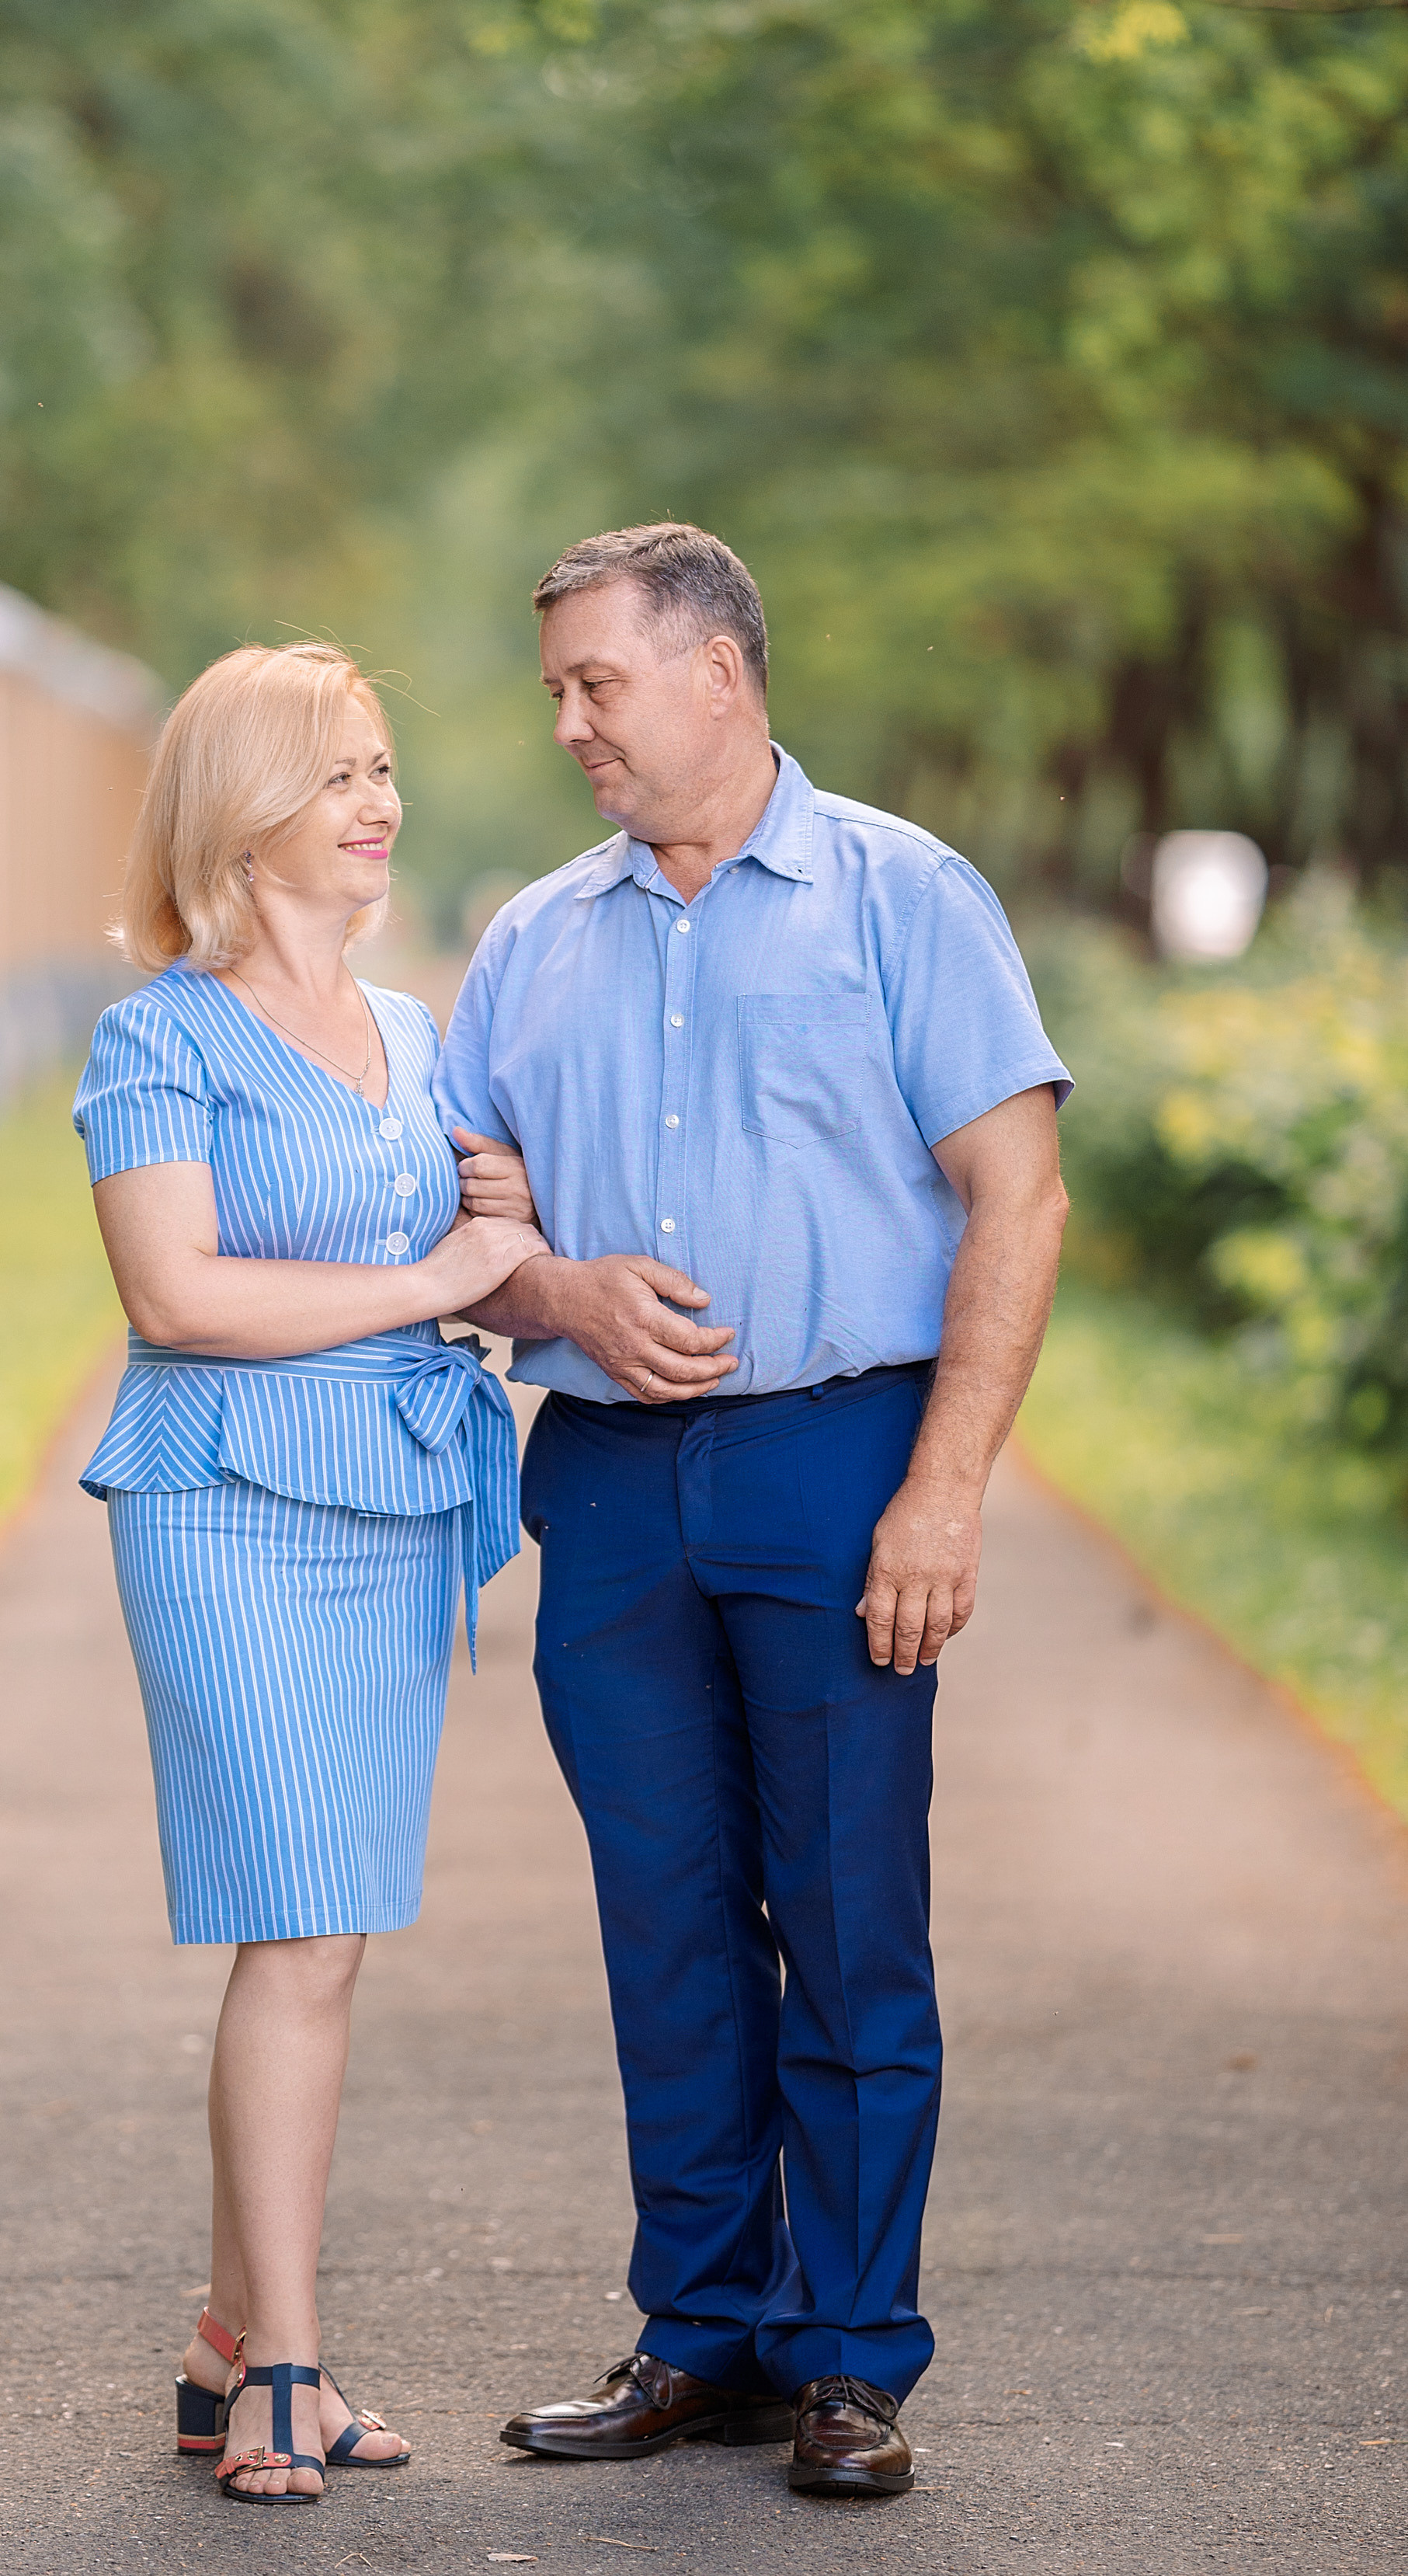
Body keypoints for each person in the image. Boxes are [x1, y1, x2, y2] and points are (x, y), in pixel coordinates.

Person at [436, 524, 1071, 2499]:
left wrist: (942, 1491)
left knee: (851, 1918)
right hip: (613, 1484)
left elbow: (1019, 1198)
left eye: (594, 684)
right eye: (554, 689)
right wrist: (558, 1292)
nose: (568, 725)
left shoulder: (907, 897)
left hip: (838, 1457)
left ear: (718, 671)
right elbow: (473, 1221)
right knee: (671, 1922)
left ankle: (854, 2354)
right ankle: (701, 2326)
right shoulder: (534, 937)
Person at [72, 642, 544, 2508]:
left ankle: (221, 2336)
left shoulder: (416, 1033)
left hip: (397, 1498)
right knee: (295, 1923)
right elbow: (175, 1293)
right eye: (336, 771)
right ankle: (285, 2364)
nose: (378, 802)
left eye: (383, 766)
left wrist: (496, 1233)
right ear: (241, 809)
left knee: (325, 1928)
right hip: (229, 1500)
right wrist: (437, 1279)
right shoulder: (159, 1038)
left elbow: (480, 1227)